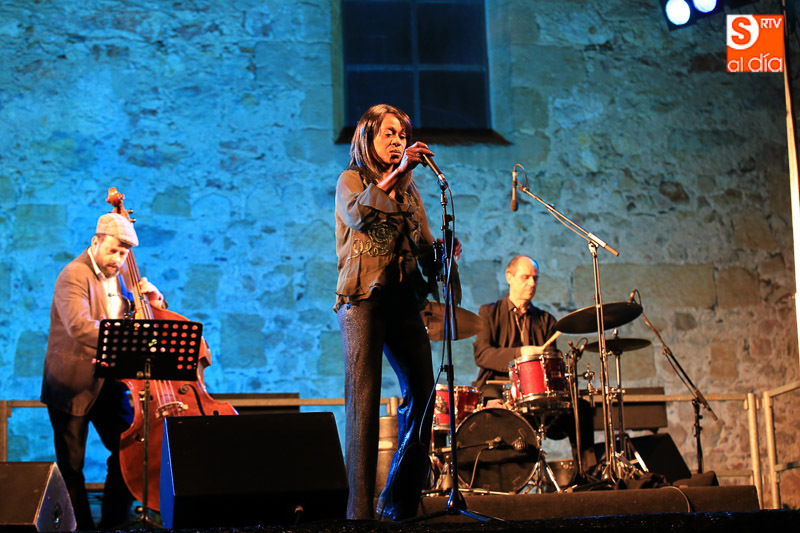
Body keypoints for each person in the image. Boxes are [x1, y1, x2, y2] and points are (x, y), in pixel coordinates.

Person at [334, 104, 460, 520]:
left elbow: (422, 246)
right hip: (363, 300)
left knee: (424, 394)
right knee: (364, 404)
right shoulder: (351, 180)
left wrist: (443, 251)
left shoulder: (410, 193)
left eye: (402, 136)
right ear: (367, 138)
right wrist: (398, 172)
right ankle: (358, 514)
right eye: (388, 134)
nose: (397, 141)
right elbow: (360, 215)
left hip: (403, 299)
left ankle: (399, 502)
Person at [41, 212, 165, 530]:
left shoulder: (120, 275)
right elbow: (79, 326)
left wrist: (153, 301)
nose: (118, 259)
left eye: (123, 253)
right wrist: (129, 337)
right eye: (112, 251)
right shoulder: (73, 274)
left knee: (130, 452)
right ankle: (81, 528)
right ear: (95, 242)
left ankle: (113, 525)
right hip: (72, 382)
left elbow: (137, 316)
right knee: (72, 466)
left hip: (109, 380)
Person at [472, 255, 596, 472]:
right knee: (490, 404)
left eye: (535, 278)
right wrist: (521, 352)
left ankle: (586, 474)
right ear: (509, 277)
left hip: (538, 395)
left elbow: (552, 365)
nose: (532, 283)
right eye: (525, 277)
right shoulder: (488, 313)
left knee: (581, 408)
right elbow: (482, 355)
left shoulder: (546, 320)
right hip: (498, 387)